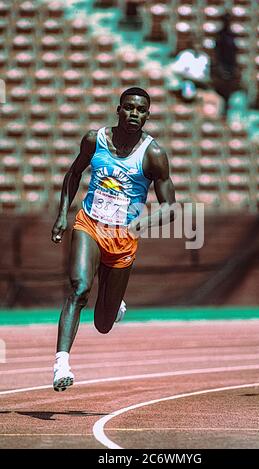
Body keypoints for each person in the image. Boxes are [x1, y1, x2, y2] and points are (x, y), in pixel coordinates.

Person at [51, 87, 176, 391]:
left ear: (148, 115)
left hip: (123, 237)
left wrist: (140, 224)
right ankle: (61, 364)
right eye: (130, 108)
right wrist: (62, 215)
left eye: (142, 110)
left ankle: (114, 305)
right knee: (79, 289)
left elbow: (171, 208)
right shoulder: (95, 140)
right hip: (90, 223)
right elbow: (74, 173)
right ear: (118, 109)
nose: (135, 114)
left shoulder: (154, 155)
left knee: (103, 324)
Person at [212, 13, 238, 117]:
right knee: (220, 88)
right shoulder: (219, 35)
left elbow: (234, 52)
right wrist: (218, 66)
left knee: (228, 88)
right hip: (222, 64)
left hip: (230, 65)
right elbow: (216, 52)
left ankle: (225, 108)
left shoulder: (232, 35)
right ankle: (219, 109)